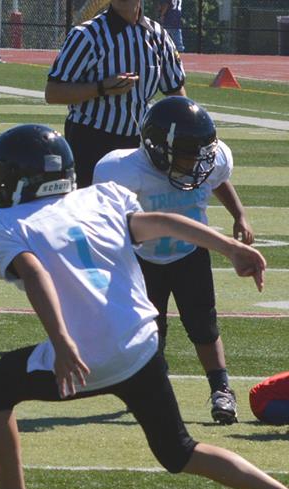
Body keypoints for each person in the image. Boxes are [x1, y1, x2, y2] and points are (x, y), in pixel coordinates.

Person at [0, 123, 289, 489]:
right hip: (141, 342)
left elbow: (35, 272)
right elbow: (163, 221)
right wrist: (231, 248)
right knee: (178, 450)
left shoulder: (0, 225)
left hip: (84, 355)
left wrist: (61, 341)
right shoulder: (100, 198)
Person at [93, 96, 250, 424]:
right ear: (157, 148)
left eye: (201, 152)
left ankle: (221, 389)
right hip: (144, 259)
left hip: (190, 254)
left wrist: (239, 214)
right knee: (151, 329)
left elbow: (217, 178)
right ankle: (152, 391)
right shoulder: (125, 169)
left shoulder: (209, 161)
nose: (197, 161)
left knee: (203, 326)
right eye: (188, 153)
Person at [45, 0, 186, 189]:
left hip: (139, 146)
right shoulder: (87, 35)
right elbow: (53, 92)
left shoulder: (158, 36)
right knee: (90, 213)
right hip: (91, 142)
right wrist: (101, 87)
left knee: (134, 212)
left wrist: (186, 128)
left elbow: (176, 92)